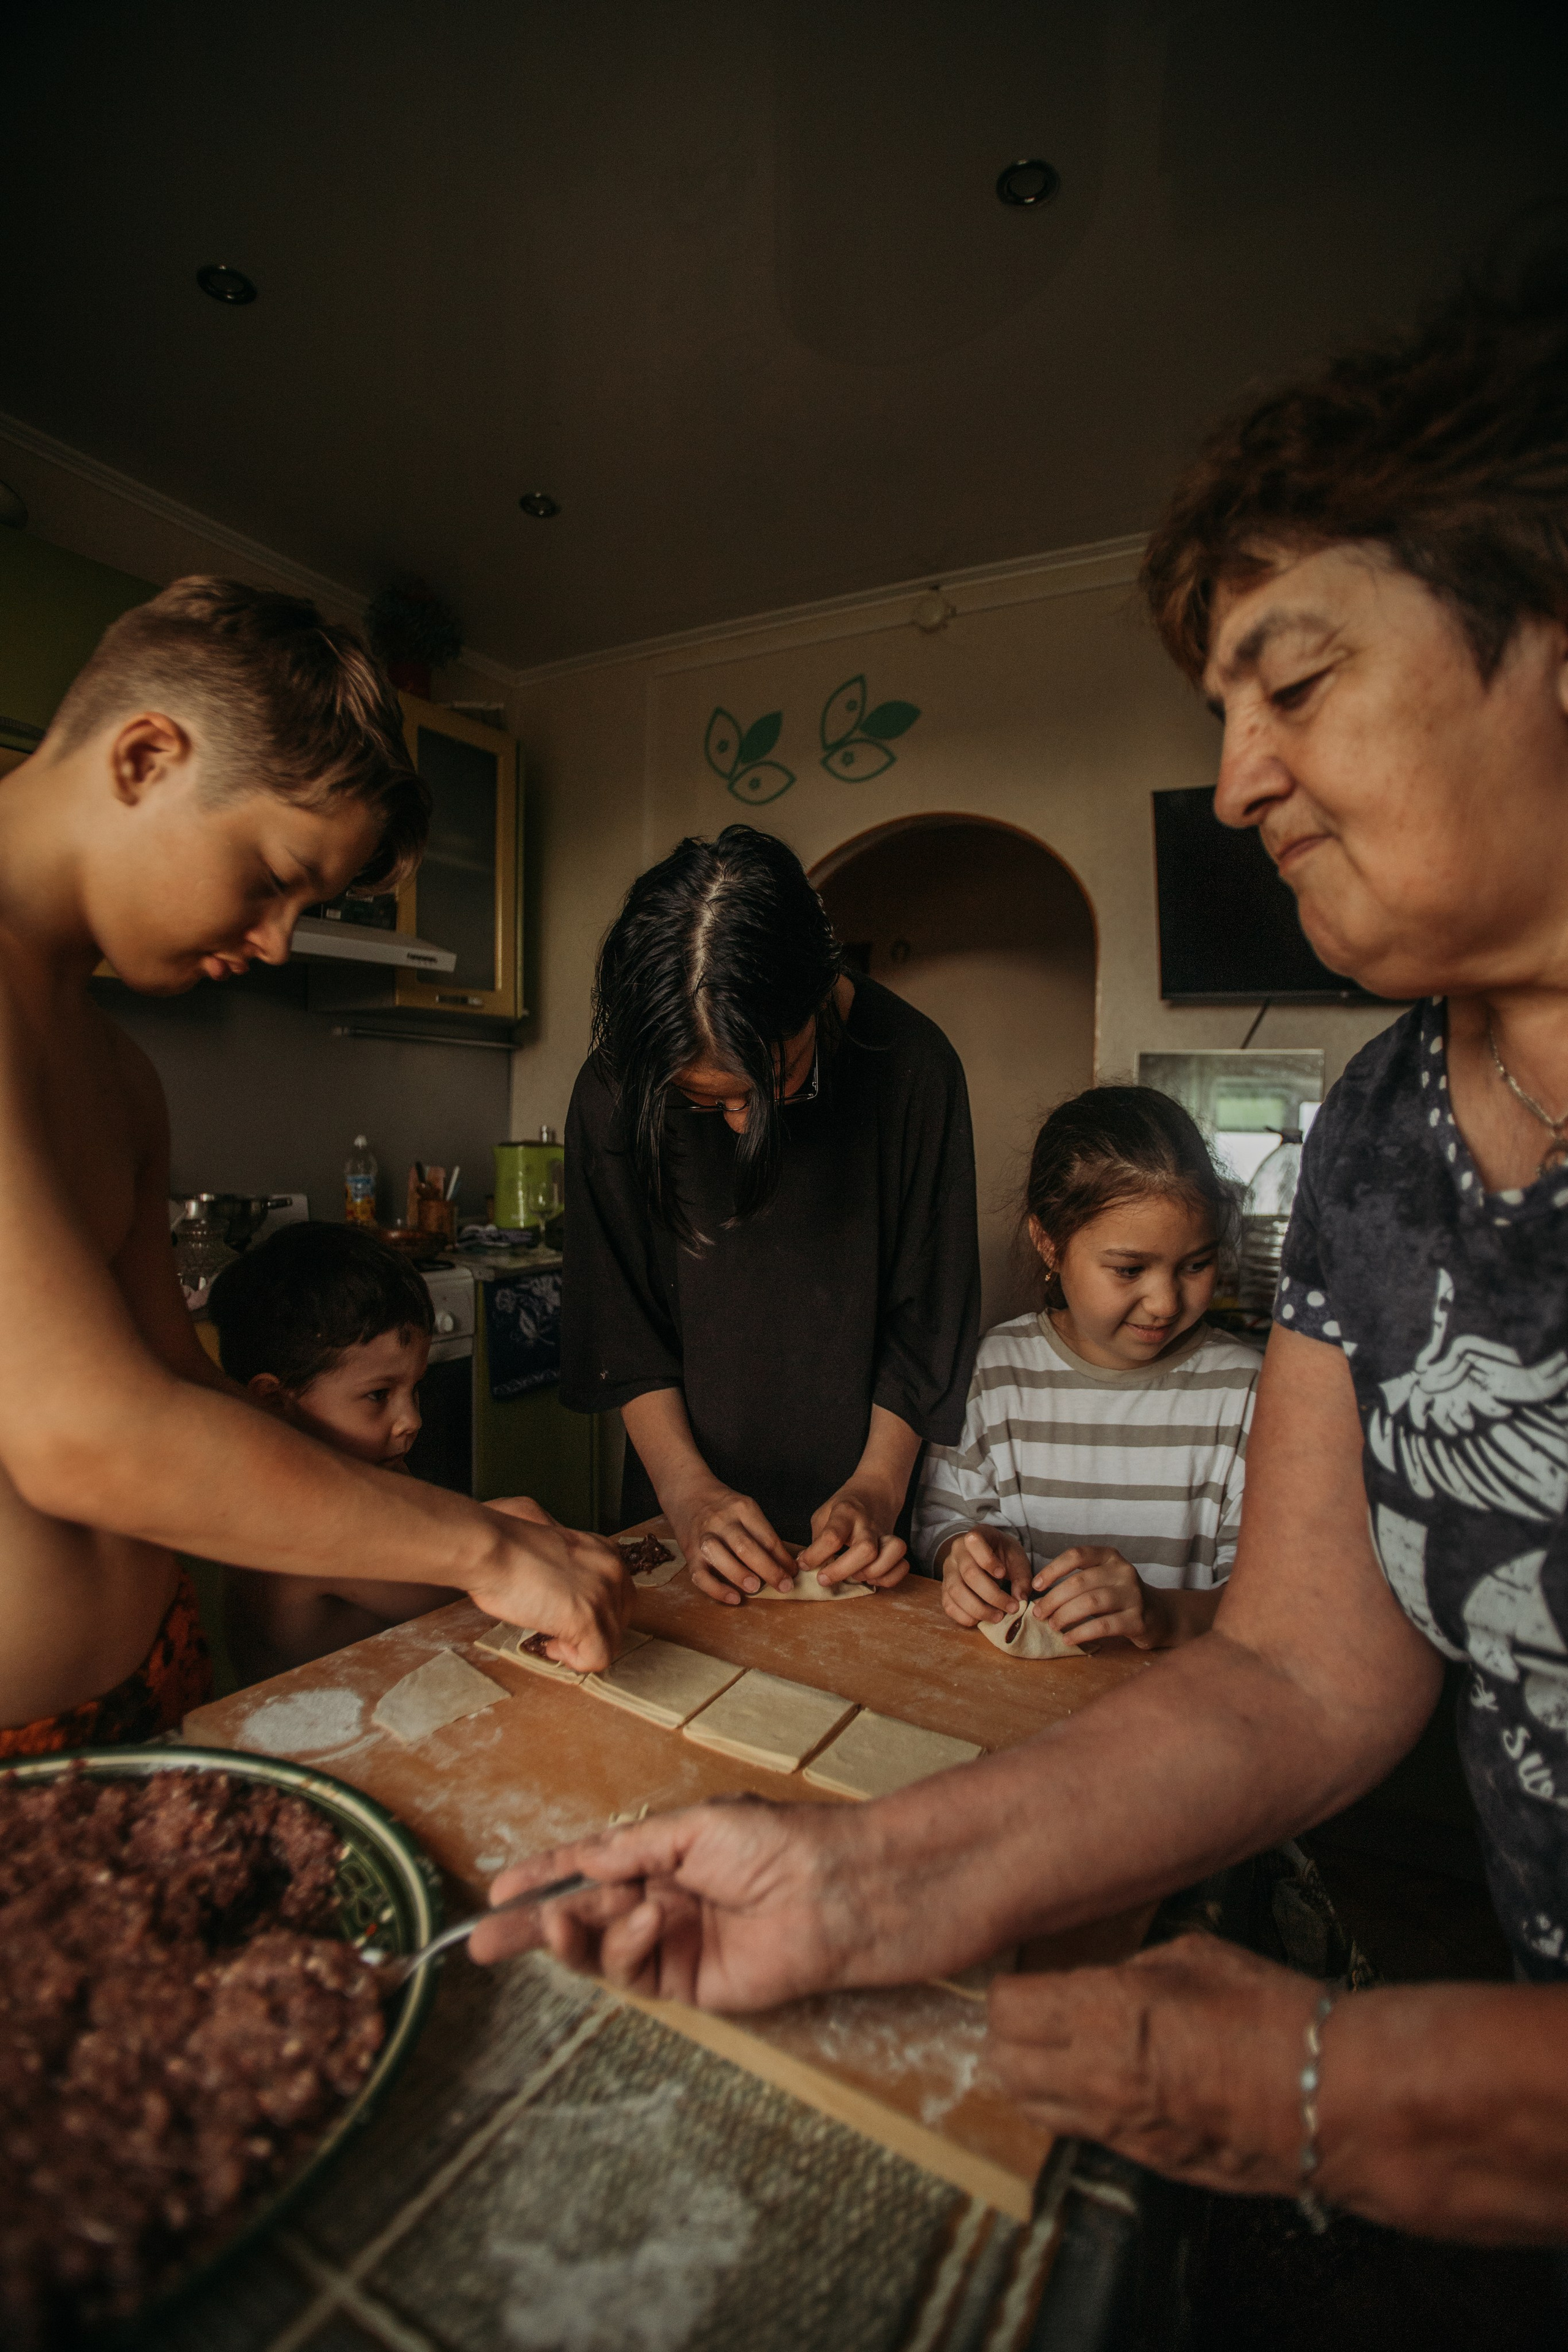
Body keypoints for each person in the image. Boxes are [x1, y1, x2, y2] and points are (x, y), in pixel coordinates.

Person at [474, 255, 1568, 2245]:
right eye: (1222, 713)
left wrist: (1343, 2086)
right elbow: (1304, 1672)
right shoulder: (1387, 1132)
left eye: (1293, 685)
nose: (1236, 782)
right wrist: (861, 1884)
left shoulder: (913, 1085)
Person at [0, 576, 624, 1760]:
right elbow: (83, 1433)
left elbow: (178, 1386)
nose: (281, 939)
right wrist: (479, 1549)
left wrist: (454, 1517)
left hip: (149, 1688)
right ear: (146, 758)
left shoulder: (117, 1071)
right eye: (275, 873)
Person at [561, 823, 980, 1604]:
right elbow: (621, 1324)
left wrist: (878, 1490)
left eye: (768, 1084)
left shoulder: (915, 1068)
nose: (740, 1127)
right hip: (680, 1508)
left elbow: (928, 1320)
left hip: (862, 1521)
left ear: (817, 993)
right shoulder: (614, 1089)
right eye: (699, 1100)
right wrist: (686, 1495)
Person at [920, 1087, 1258, 1650]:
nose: (1165, 1302)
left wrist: (1164, 1614)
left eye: (1196, 1264)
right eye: (1129, 1270)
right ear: (1050, 1245)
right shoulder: (993, 1373)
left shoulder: (1248, 1393)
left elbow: (1271, 1601)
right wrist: (967, 1557)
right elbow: (942, 1523)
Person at [208, 1222, 462, 1680]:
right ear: (274, 1401)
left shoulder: (360, 1478)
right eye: (379, 1395)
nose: (412, 1421)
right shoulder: (299, 1522)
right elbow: (465, 1582)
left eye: (415, 1389)